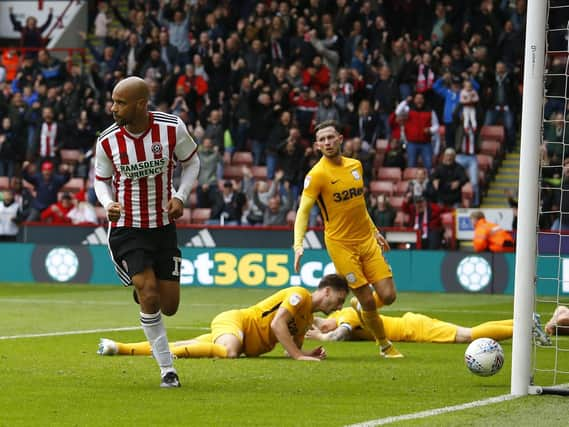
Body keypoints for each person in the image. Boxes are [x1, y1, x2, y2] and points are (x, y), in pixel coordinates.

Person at [94, 76, 200, 388]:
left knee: (169, 305)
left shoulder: (171, 128)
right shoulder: (107, 141)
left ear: (141, 104)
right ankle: (168, 370)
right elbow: (100, 179)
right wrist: (107, 202)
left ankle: (143, 290)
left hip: (163, 227)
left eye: (120, 102)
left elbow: (192, 164)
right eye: (113, 101)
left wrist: (180, 196)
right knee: (150, 293)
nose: (113, 108)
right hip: (127, 227)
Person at [293, 120, 403, 358]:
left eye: (330, 137)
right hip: (341, 245)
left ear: (340, 139)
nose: (327, 143)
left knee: (389, 296)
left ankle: (359, 307)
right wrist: (298, 244)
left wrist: (374, 231)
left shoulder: (356, 166)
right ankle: (385, 345)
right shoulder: (317, 175)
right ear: (316, 145)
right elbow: (303, 211)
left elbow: (359, 206)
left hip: (366, 240)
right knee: (368, 300)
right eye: (322, 140)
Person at [97, 274, 349, 360]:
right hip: (237, 322)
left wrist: (304, 354)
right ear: (326, 291)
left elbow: (288, 348)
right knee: (229, 352)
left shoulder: (306, 319)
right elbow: (276, 323)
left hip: (239, 334)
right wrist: (298, 355)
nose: (337, 306)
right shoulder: (300, 296)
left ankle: (118, 347)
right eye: (338, 300)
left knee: (192, 345)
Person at [306, 304, 514, 344]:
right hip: (411, 325)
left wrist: (320, 337)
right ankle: (522, 322)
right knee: (467, 332)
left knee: (467, 335)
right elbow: (316, 320)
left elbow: (338, 336)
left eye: (323, 326)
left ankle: (523, 329)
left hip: (415, 329)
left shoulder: (347, 315)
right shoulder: (336, 314)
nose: (324, 328)